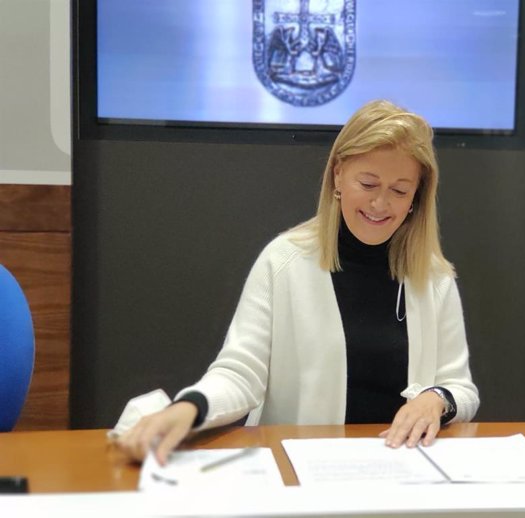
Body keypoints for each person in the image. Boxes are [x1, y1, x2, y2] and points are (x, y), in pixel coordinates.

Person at [116, 100, 479, 464]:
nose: (381, 203)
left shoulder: (433, 276)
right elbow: (240, 374)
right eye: (368, 183)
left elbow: (460, 388)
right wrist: (189, 408)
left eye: (400, 191)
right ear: (338, 174)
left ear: (417, 196)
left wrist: (437, 399)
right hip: (304, 471)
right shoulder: (284, 261)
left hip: (404, 470)